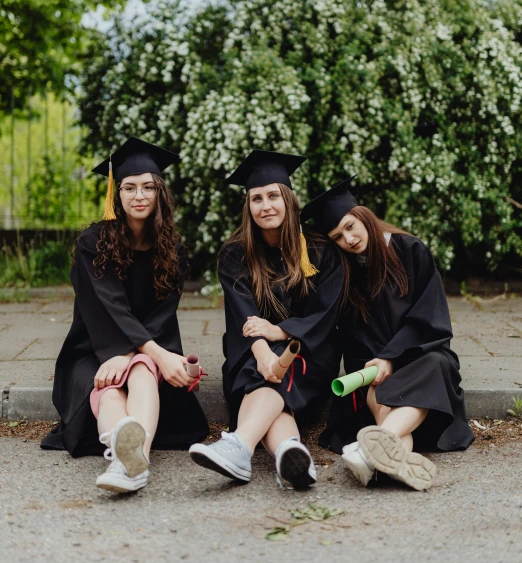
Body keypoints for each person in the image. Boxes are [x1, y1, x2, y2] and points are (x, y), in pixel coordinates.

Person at [41, 137, 208, 493]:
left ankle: (129, 463)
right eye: (129, 187)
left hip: (146, 347)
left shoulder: (173, 249)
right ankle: (130, 459)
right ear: (116, 195)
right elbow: (107, 306)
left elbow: (164, 313)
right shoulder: (93, 243)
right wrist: (152, 355)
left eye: (148, 187)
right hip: (92, 348)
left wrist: (134, 354)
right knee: (109, 383)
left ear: (159, 193)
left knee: (142, 371)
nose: (139, 196)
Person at [301, 178, 474, 491]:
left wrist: (390, 357)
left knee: (436, 363)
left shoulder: (411, 250)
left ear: (363, 215)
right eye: (338, 237)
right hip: (374, 371)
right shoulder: (346, 271)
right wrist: (376, 364)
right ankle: (383, 460)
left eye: (351, 226)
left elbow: (430, 319)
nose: (349, 239)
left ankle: (370, 453)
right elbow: (350, 338)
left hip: (421, 360)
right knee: (377, 383)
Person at [189, 150, 344, 488]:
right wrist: (263, 353)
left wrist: (279, 331)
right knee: (261, 372)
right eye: (256, 198)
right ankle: (290, 452)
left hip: (310, 357)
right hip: (252, 355)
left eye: (273, 196)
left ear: (288, 199)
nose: (265, 206)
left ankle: (240, 445)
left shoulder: (319, 250)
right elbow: (243, 316)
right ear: (248, 207)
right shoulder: (235, 253)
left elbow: (324, 314)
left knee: (274, 373)